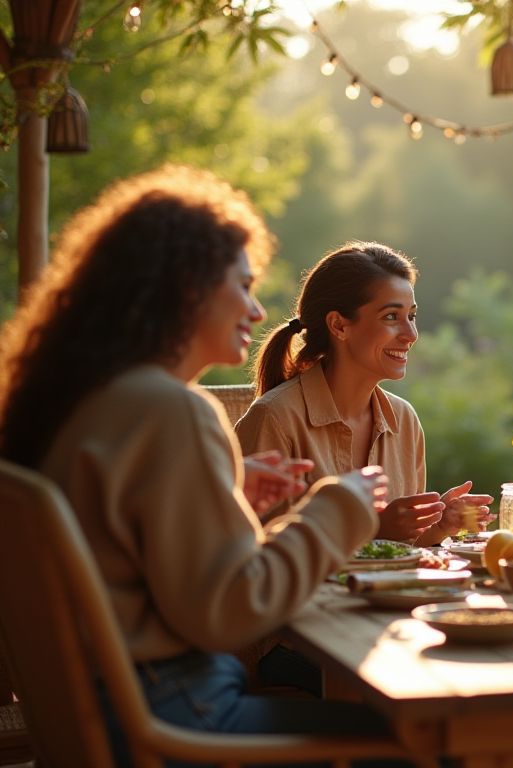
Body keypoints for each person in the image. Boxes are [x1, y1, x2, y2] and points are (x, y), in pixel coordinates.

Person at [0, 165, 402, 766]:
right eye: (242, 286)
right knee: (427, 741)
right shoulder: (171, 409)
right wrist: (334, 509)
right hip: (178, 715)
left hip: (114, 710)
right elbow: (226, 614)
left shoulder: (88, 400)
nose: (259, 310)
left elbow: (130, 547)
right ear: (184, 287)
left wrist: (230, 496)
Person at [236, 243, 492, 546]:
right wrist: (371, 529)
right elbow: (254, 555)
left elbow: (397, 552)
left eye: (411, 315)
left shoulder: (404, 420)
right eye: (391, 317)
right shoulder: (275, 418)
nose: (411, 334)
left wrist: (437, 527)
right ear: (339, 325)